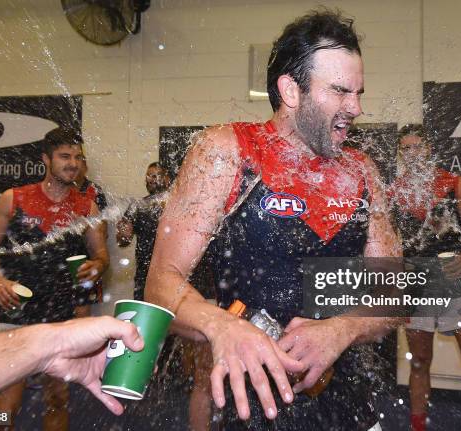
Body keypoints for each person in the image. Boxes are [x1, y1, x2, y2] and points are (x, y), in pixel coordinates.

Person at [146, 10, 402, 430]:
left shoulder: (363, 171)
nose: (356, 107)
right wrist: (222, 327)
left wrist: (341, 329)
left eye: (358, 92)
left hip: (351, 404)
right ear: (290, 90)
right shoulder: (227, 151)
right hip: (253, 406)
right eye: (340, 91)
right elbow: (161, 284)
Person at [0, 128, 109, 431]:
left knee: (57, 398)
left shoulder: (86, 207)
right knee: (6, 405)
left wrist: (97, 266)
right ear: (46, 159)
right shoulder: (14, 198)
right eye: (65, 156)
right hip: (18, 311)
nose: (73, 163)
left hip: (61, 316)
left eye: (77, 157)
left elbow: (101, 256)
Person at [388, 124, 461, 431]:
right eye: (406, 149)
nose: (412, 154)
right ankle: (417, 425)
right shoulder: (395, 191)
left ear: (428, 149)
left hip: (454, 279)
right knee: (420, 362)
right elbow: (389, 239)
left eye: (417, 147)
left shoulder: (453, 182)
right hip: (417, 285)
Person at [0, 316, 143, 414]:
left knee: (57, 403)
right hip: (22, 311)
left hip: (56, 310)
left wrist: (55, 345)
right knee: (5, 411)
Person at [116, 161, 170, 300]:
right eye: (148, 176)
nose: (151, 179)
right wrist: (122, 234)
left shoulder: (176, 204)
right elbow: (122, 242)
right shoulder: (137, 206)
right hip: (144, 275)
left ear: (167, 178)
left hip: (172, 274)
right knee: (142, 317)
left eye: (156, 175)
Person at [74, 148, 109, 317]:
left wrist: (97, 259)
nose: (73, 165)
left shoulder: (95, 191)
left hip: (87, 257)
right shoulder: (57, 191)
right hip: (59, 258)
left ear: (85, 166)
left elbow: (103, 228)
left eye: (78, 160)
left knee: (83, 311)